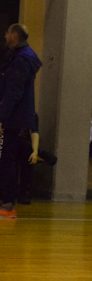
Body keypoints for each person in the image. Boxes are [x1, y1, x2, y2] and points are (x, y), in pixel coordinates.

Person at [0, 24, 41, 219]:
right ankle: (6, 201)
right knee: (7, 160)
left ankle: (8, 205)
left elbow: (13, 93)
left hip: (13, 118)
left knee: (7, 160)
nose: (5, 36)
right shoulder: (22, 56)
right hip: (16, 117)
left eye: (7, 33)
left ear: (14, 35)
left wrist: (2, 117)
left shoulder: (21, 60)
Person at [16, 112, 40, 205]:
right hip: (10, 142)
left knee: (27, 160)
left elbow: (34, 132)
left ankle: (23, 193)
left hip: (24, 143)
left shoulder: (32, 113)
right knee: (10, 167)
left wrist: (35, 151)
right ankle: (10, 193)